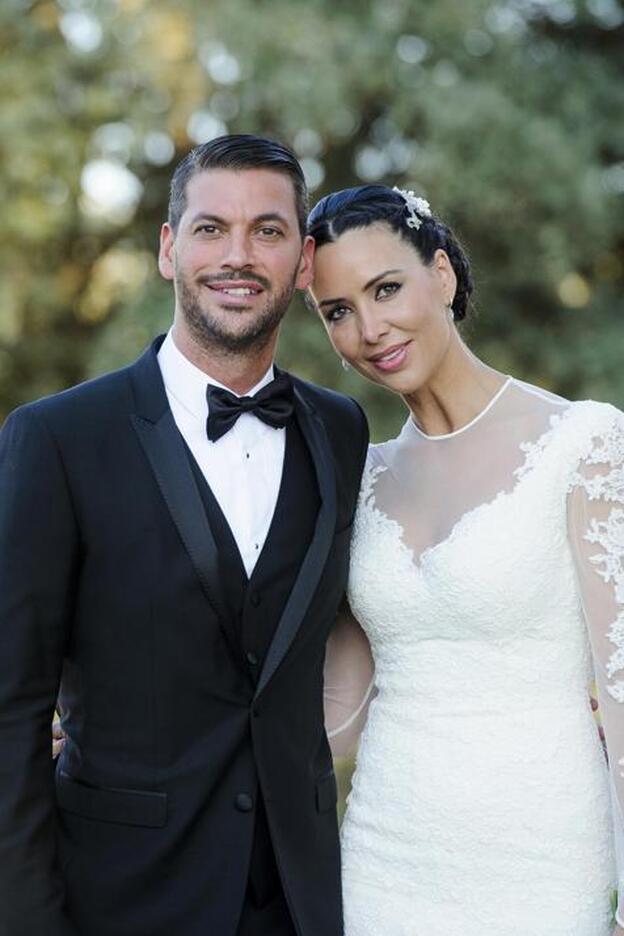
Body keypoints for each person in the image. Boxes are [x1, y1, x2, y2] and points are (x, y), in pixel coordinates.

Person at [0, 135, 369, 936]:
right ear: (169, 249)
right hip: (119, 899)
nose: (237, 256)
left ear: (303, 262)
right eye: (210, 229)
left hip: (301, 899)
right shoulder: (57, 438)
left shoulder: (341, 430)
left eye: (267, 231)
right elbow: (11, 708)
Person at [306, 184, 624, 936]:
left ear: (441, 276)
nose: (370, 329)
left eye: (386, 289)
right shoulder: (361, 474)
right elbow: (338, 707)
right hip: (385, 859)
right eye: (338, 312)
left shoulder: (583, 445)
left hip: (543, 860)